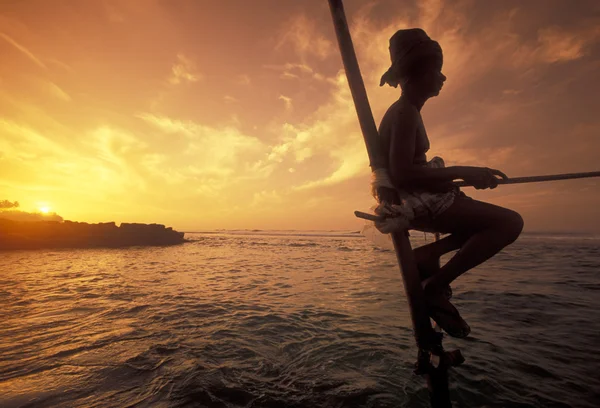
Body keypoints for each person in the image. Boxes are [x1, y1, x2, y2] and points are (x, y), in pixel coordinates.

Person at [377, 28, 524, 338]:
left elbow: (410, 170)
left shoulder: (409, 112)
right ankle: (437, 285)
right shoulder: (404, 112)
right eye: (437, 71)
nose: (442, 78)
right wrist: (463, 170)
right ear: (418, 73)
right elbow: (402, 173)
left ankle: (431, 255)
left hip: (423, 196)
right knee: (509, 223)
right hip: (417, 202)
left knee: (484, 221)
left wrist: (463, 177)